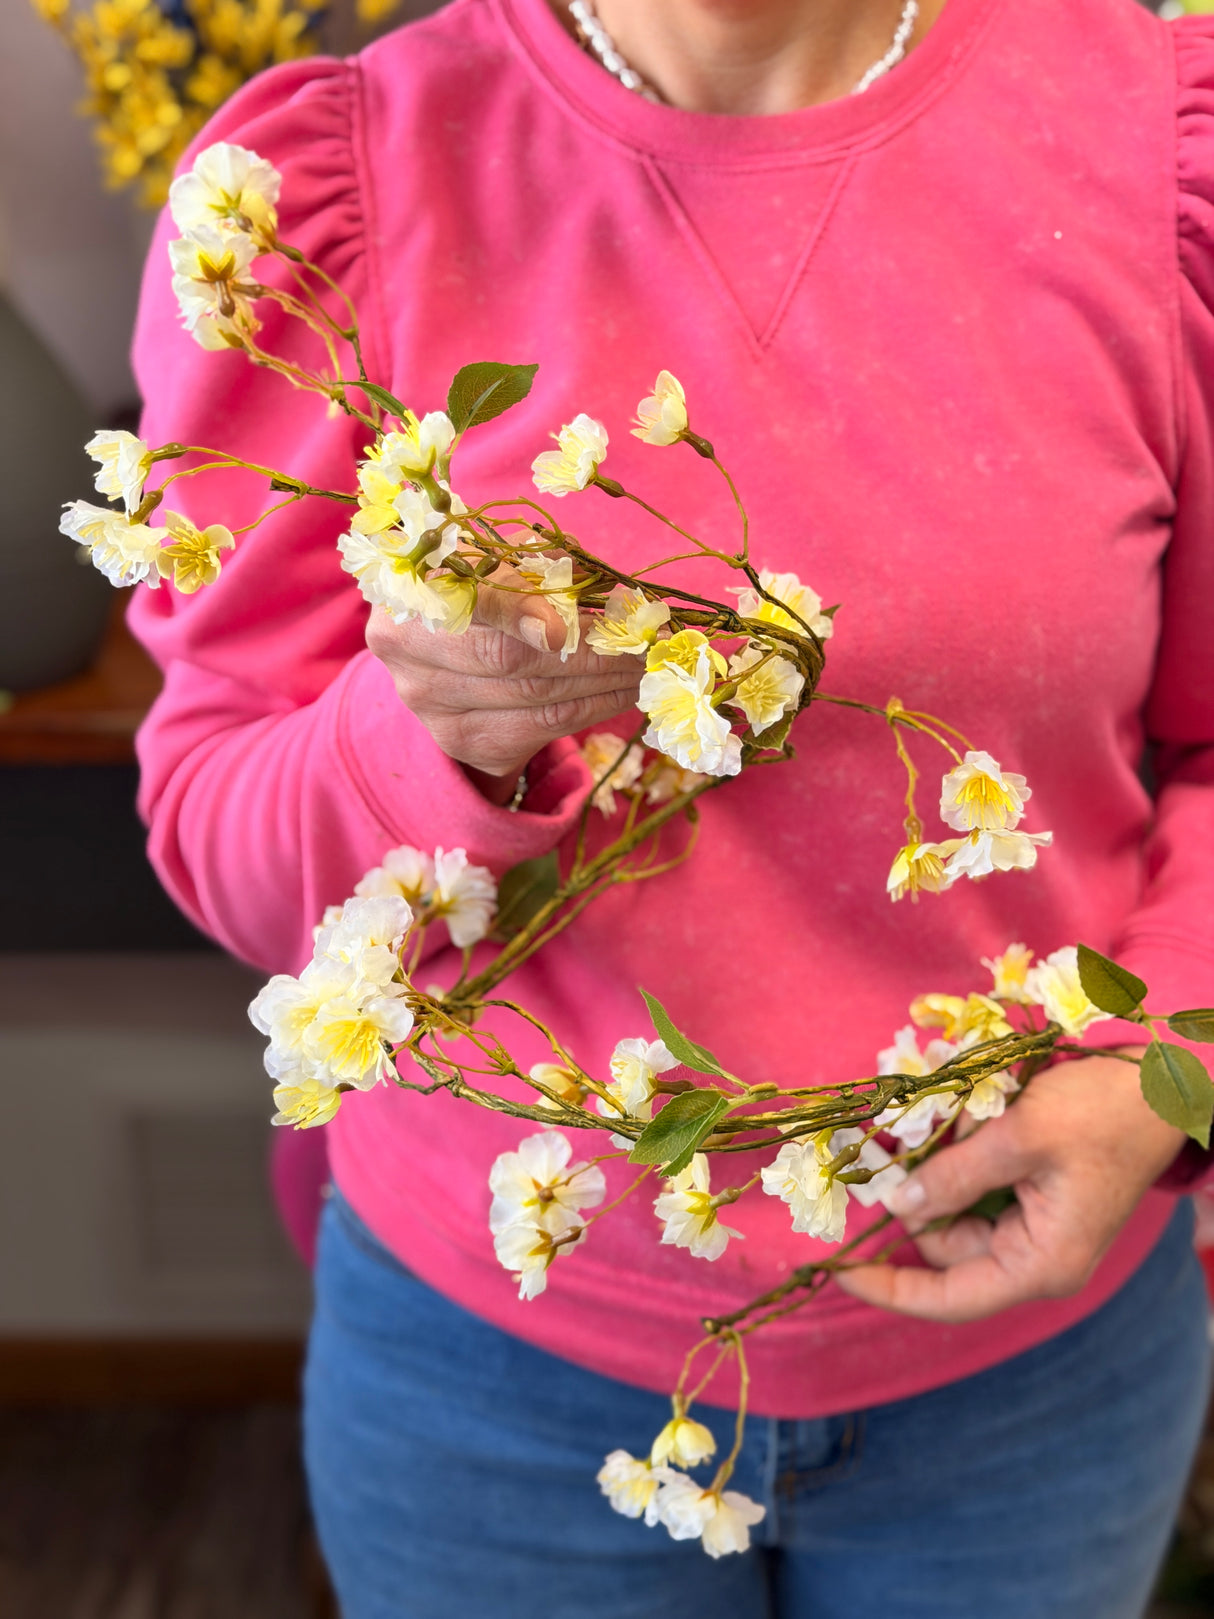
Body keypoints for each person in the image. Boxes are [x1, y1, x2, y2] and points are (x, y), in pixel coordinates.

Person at [127, 0, 1214, 1613]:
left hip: (1034, 1388)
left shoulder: (1151, 145)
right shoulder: (322, 198)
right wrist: (432, 740)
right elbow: (222, 831)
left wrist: (1165, 1058)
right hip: (498, 1388)